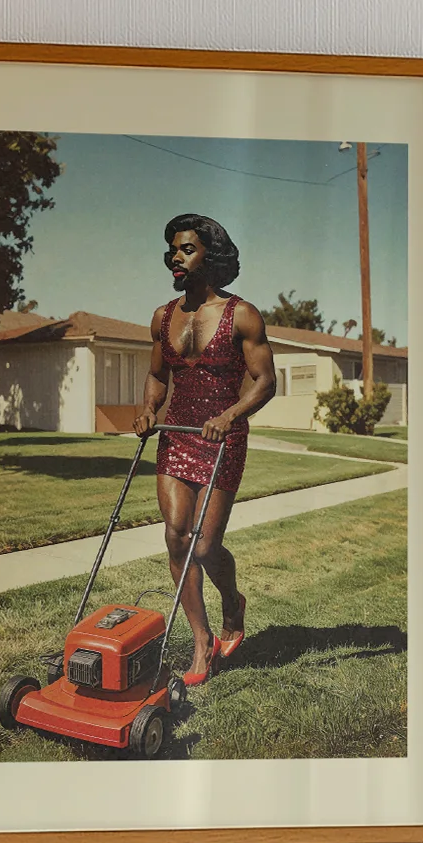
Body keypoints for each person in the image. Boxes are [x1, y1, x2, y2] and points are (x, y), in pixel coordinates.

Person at [131, 214, 276, 686]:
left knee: (206, 544)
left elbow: (265, 382)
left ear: (209, 257)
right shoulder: (162, 317)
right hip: (177, 434)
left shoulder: (243, 314)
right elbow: (158, 376)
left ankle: (233, 605)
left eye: (187, 249)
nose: (176, 256)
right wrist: (149, 409)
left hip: (222, 436)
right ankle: (201, 641)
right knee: (177, 538)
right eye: (173, 249)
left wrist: (229, 416)